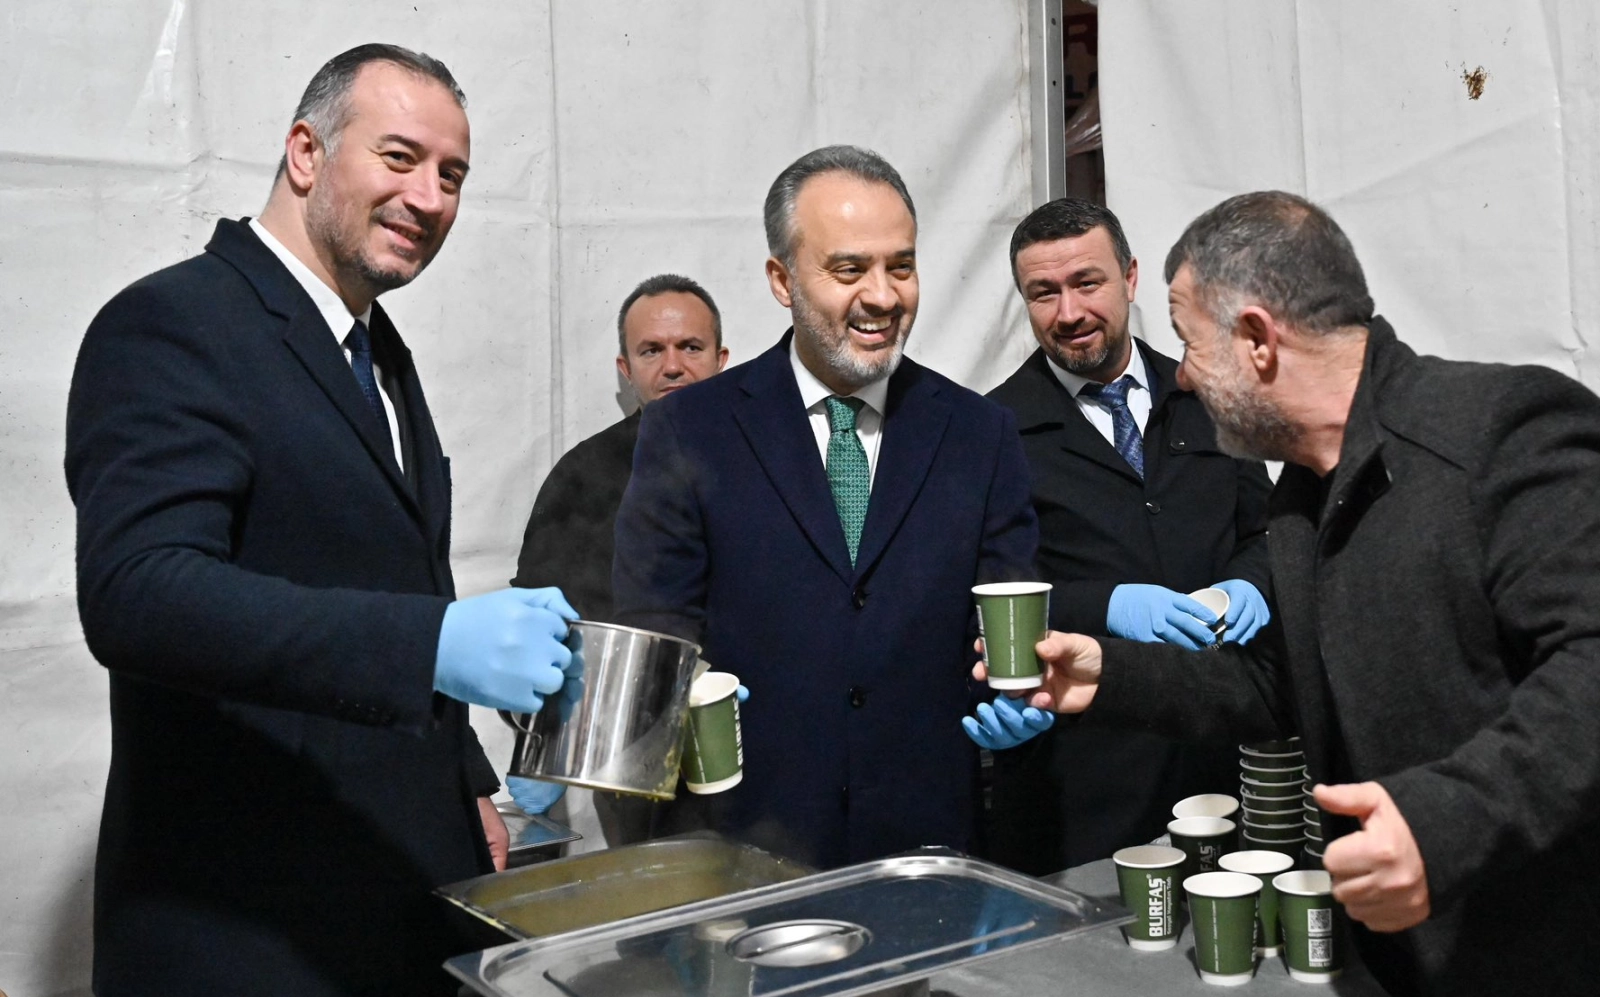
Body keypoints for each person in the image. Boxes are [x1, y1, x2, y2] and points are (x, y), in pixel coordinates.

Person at [978, 191, 1600, 997]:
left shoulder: (1502, 429)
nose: (1186, 379)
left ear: (1258, 340)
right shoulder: (1304, 498)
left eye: (1191, 344)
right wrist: (1108, 673)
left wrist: (1439, 821)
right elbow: (1281, 680)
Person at [65, 45, 580, 997]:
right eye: (401, 157)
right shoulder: (172, 322)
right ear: (305, 153)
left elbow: (390, 574)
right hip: (258, 957)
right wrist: (434, 643)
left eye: (452, 175)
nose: (429, 197)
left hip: (393, 926)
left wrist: (466, 777)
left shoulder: (375, 350)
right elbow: (138, 592)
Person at [611, 145, 1038, 869]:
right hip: (749, 846)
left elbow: (1004, 617)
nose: (883, 296)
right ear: (782, 279)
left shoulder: (978, 432)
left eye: (901, 266)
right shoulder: (693, 428)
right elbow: (655, 624)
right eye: (849, 270)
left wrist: (1020, 697)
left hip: (926, 844)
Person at [978, 198, 1277, 874]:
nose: (1069, 312)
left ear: (1131, 277)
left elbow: (1265, 531)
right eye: (1043, 293)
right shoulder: (992, 430)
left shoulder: (1207, 395)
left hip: (1215, 755)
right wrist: (1105, 606)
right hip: (1082, 776)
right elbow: (983, 589)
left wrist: (1251, 584)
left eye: (1087, 282)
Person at [512, 274, 730, 623]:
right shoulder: (582, 474)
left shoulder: (767, 455)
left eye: (690, 347)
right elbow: (539, 605)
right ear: (626, 369)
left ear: (720, 360)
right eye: (652, 351)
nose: (673, 367)